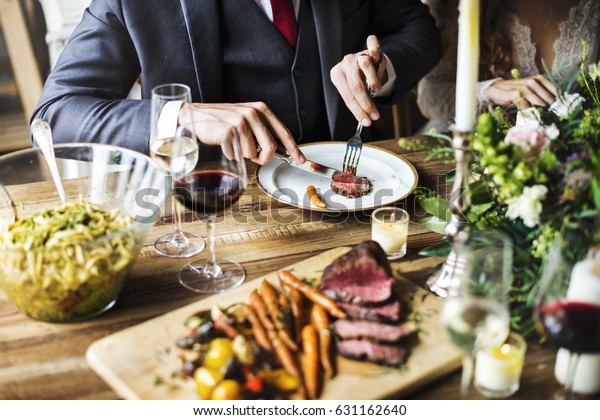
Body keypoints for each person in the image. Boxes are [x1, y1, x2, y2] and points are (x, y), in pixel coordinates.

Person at [32, 0, 441, 165]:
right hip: (213, 215)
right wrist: (181, 118)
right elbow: (53, 116)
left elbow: (418, 28)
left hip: (354, 191)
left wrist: (380, 65)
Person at [417, 0, 600, 133]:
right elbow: (429, 96)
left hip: (576, 151)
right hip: (473, 144)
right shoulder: (456, 5)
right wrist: (488, 91)